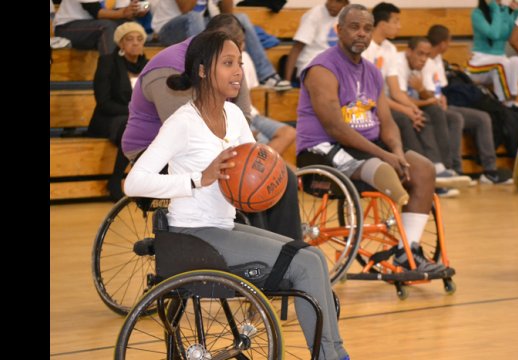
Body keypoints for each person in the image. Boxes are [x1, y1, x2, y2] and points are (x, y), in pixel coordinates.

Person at [123, 31, 349, 360]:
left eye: (240, 63)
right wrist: (197, 179)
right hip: (193, 235)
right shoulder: (182, 123)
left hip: (224, 226)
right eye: (228, 63)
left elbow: (252, 170)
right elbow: (134, 183)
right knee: (304, 265)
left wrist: (267, 176)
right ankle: (334, 356)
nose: (238, 71)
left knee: (313, 257)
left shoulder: (234, 116)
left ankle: (333, 354)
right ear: (202, 70)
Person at [122, 13, 302, 242]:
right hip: (151, 149)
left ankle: (288, 250)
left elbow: (243, 114)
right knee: (238, 179)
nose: (237, 66)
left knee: (277, 174)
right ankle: (261, 254)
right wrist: (212, 173)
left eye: (239, 58)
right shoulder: (169, 68)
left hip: (203, 145)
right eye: (229, 60)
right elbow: (192, 133)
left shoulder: (231, 64)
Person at [296, 4, 446, 273]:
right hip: (323, 149)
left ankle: (406, 250)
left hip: (367, 149)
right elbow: (335, 128)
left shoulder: (372, 72)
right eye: (354, 27)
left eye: (367, 28)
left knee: (422, 168)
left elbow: (387, 124)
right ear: (339, 30)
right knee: (384, 167)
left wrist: (397, 150)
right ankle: (398, 196)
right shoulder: (322, 69)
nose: (361, 34)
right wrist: (385, 156)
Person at [362, 3, 471, 196]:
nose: (400, 26)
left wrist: (413, 108)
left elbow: (395, 90)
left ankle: (439, 168)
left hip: (385, 101)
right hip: (366, 104)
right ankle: (420, 175)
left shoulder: (389, 49)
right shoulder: (365, 47)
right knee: (404, 120)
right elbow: (373, 93)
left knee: (427, 114)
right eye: (396, 21)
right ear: (381, 23)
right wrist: (408, 111)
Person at [425, 25, 512, 184]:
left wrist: (441, 98)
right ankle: (456, 169)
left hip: (442, 103)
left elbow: (441, 87)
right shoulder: (424, 58)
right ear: (444, 43)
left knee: (483, 117)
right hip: (429, 106)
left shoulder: (438, 61)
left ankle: (490, 171)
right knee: (456, 118)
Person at [88, 21, 148, 201]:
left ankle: (147, 183)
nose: (136, 43)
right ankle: (115, 181)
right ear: (121, 43)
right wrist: (134, 113)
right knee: (131, 126)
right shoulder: (107, 62)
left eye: (139, 39)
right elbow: (103, 102)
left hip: (136, 119)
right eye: (130, 39)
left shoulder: (148, 66)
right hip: (108, 118)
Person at [209, 0, 292, 90]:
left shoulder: (244, 59)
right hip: (196, 22)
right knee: (195, 17)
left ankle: (267, 75)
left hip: (212, 20)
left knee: (241, 18)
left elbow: (227, 15)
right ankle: (199, 73)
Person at [468, 0, 518, 106]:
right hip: (480, 61)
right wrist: (496, 9)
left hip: (500, 59)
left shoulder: (502, 11)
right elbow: (494, 34)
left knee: (517, 61)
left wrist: (514, 13)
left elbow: (509, 36)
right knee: (502, 64)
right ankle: (501, 102)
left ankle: (511, 99)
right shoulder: (477, 13)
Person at [241, 49, 297, 155]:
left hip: (252, 114)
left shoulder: (245, 56)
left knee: (289, 133)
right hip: (238, 118)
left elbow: (252, 91)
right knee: (264, 146)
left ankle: (270, 168)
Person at [284, 0, 350, 85]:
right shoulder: (314, 15)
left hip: (334, 66)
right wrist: (287, 81)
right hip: (311, 64)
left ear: (346, 4)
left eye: (338, 1)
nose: (333, 5)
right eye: (331, 0)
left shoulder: (345, 17)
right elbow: (297, 48)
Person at [53, 0, 149, 55]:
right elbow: (96, 12)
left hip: (96, 25)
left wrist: (134, 12)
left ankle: (134, 70)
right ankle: (109, 71)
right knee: (107, 27)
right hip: (67, 27)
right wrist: (123, 13)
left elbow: (120, 11)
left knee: (132, 27)